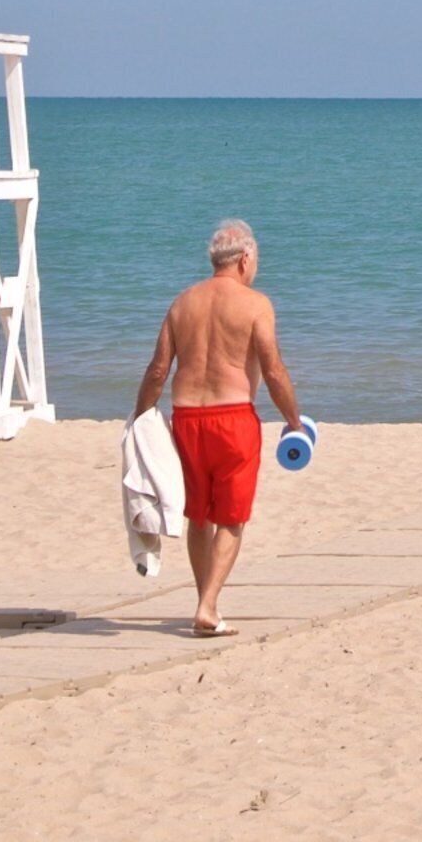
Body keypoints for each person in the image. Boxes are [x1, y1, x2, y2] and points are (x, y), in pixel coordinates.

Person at [133, 218, 304, 637]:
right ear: (246, 258)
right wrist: (294, 422)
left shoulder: (181, 303)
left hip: (187, 419)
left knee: (200, 515)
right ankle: (208, 606)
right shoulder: (255, 304)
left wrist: (137, 420)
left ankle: (204, 602)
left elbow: (157, 370)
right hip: (233, 420)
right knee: (231, 517)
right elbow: (274, 369)